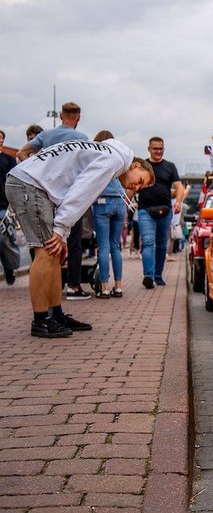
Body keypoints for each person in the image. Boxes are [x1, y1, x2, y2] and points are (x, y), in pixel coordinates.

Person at [4, 138, 154, 337]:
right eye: (140, 181)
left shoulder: (106, 151)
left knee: (54, 253)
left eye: (140, 188)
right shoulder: (113, 161)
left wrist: (62, 234)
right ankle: (40, 320)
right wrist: (60, 229)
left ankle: (56, 315)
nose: (136, 188)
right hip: (29, 184)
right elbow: (81, 192)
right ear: (135, 165)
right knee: (46, 251)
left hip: (31, 182)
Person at [17, 102, 92, 300]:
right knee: (73, 243)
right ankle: (74, 286)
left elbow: (21, 153)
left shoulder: (47, 135)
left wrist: (37, 171)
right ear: (78, 117)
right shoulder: (82, 138)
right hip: (70, 196)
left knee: (48, 246)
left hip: (46, 194)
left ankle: (51, 288)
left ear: (60, 115)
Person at [137, 136, 184, 289]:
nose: (158, 151)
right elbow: (131, 187)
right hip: (145, 211)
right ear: (149, 149)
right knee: (148, 242)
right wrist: (124, 205)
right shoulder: (142, 166)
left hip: (165, 211)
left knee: (162, 246)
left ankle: (158, 275)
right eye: (155, 148)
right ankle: (148, 276)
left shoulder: (170, 167)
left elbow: (179, 187)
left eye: (161, 148)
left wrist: (178, 202)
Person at [91, 130, 127, 298]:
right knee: (115, 245)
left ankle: (104, 287)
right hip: (120, 201)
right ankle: (118, 286)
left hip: (102, 201)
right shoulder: (118, 157)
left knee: (103, 246)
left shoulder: (95, 156)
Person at [0, 129, 21, 285]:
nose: (0, 140)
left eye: (1, 138)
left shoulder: (8, 160)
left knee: (5, 240)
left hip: (3, 206)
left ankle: (9, 268)